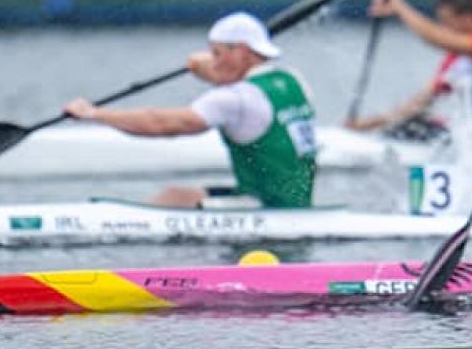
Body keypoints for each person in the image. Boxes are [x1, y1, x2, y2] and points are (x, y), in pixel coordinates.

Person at [64, 12, 316, 208]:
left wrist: (95, 114)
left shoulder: (236, 98)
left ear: (240, 51)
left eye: (217, 54)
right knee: (174, 196)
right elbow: (239, 91)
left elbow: (161, 124)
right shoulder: (294, 81)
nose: (214, 62)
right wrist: (208, 67)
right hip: (293, 201)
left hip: (263, 207)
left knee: (172, 201)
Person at [344, 0, 472, 140]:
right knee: (412, 124)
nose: (442, 27)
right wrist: (364, 126)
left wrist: (400, 8)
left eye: (445, 20)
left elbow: (434, 38)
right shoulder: (457, 59)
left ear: (467, 18)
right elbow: (418, 104)